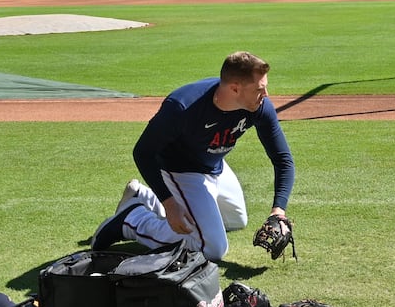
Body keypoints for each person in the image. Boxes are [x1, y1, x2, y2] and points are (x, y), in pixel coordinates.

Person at [91, 51, 295, 262]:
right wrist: (170, 204)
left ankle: (144, 198)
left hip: (214, 165)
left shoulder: (259, 107)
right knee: (212, 247)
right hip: (180, 169)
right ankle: (132, 219)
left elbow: (283, 160)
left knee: (236, 220)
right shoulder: (183, 106)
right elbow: (143, 152)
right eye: (260, 89)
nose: (267, 94)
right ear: (235, 88)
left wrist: (278, 210)